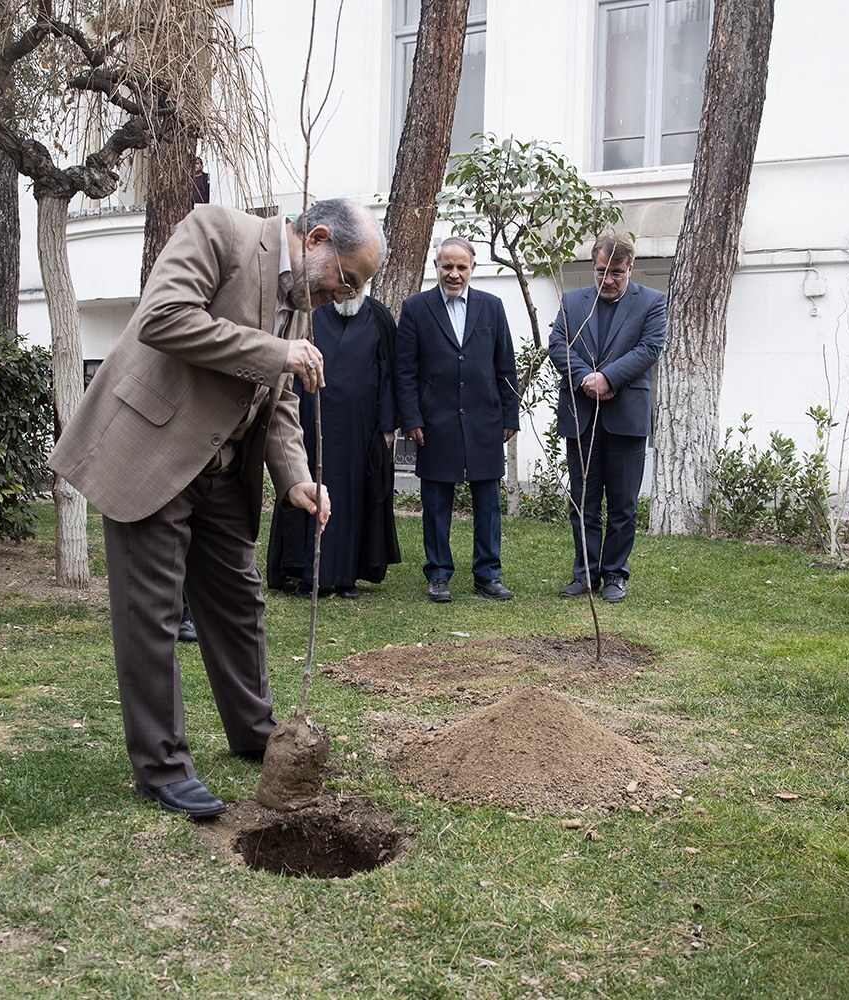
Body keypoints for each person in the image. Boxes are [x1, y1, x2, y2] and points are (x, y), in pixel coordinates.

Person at [49, 198, 384, 819]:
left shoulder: (301, 307)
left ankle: (255, 730)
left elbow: (280, 404)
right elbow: (163, 318)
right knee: (150, 615)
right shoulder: (218, 232)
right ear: (316, 239)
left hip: (226, 477)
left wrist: (297, 480)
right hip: (154, 450)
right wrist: (273, 352)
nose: (345, 295)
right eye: (350, 278)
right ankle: (162, 766)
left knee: (239, 604)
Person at [395, 236, 520, 603]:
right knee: (435, 503)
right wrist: (411, 418)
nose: (454, 274)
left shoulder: (492, 308)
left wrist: (510, 414)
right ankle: (437, 574)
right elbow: (405, 371)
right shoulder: (416, 308)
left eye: (461, 267)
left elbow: (505, 366)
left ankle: (488, 574)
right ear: (436, 267)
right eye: (447, 267)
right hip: (435, 421)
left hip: (485, 419)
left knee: (488, 503)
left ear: (472, 269)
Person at [547, 231, 666, 604]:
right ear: (593, 267)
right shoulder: (571, 301)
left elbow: (650, 347)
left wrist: (609, 378)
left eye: (616, 272)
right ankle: (585, 574)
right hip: (582, 416)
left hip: (627, 418)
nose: (608, 280)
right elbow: (556, 344)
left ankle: (615, 573)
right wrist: (587, 378)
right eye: (601, 272)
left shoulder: (652, 303)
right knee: (583, 503)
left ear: (631, 267)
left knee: (623, 504)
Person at [267, 291, 401, 598]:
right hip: (311, 420)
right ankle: (305, 572)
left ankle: (347, 575)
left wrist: (386, 426)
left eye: (358, 282)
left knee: (352, 497)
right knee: (308, 489)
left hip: (360, 427)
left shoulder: (378, 316)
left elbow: (388, 374)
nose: (351, 289)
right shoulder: (309, 314)